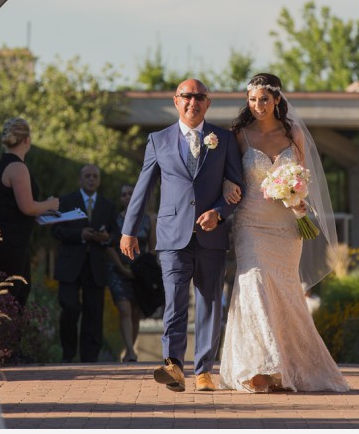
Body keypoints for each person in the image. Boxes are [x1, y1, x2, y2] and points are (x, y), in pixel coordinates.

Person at [219, 73, 348, 393]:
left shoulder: (293, 133)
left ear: (277, 99)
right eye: (252, 99)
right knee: (255, 284)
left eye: (264, 99)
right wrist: (226, 183)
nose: (258, 105)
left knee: (286, 293)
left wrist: (298, 200)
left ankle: (290, 368)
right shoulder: (239, 134)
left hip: (287, 226)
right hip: (251, 222)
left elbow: (305, 177)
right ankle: (259, 368)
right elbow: (227, 170)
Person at [120, 79, 244, 393]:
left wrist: (218, 212)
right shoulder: (158, 140)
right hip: (172, 237)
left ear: (208, 102)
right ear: (176, 101)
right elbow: (143, 188)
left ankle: (204, 371)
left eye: (200, 97)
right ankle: (173, 366)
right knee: (174, 304)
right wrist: (129, 231)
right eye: (187, 96)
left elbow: (237, 189)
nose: (193, 102)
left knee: (210, 304)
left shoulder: (224, 139)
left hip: (211, 239)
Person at [0, 118, 59, 307]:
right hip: (8, 242)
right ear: (27, 140)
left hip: (5, 239)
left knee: (14, 293)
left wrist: (40, 212)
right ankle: (2, 336)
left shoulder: (2, 165)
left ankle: (3, 335)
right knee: (10, 297)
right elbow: (27, 207)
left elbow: (12, 206)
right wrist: (50, 204)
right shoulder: (18, 167)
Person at [52, 164, 116, 363]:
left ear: (99, 180)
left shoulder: (108, 205)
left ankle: (90, 358)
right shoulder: (66, 201)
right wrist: (79, 234)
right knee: (70, 308)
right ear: (80, 179)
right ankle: (68, 354)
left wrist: (106, 238)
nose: (91, 179)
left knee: (94, 313)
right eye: (87, 176)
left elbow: (117, 235)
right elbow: (55, 230)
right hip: (70, 265)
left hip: (95, 266)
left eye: (95, 176)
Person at [105, 183, 151, 362]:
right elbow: (109, 246)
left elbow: (151, 248)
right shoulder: (114, 219)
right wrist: (122, 269)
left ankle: (128, 350)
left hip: (139, 272)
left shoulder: (148, 219)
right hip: (118, 269)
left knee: (136, 313)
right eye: (123, 194)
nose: (127, 197)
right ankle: (131, 351)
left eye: (130, 193)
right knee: (124, 309)